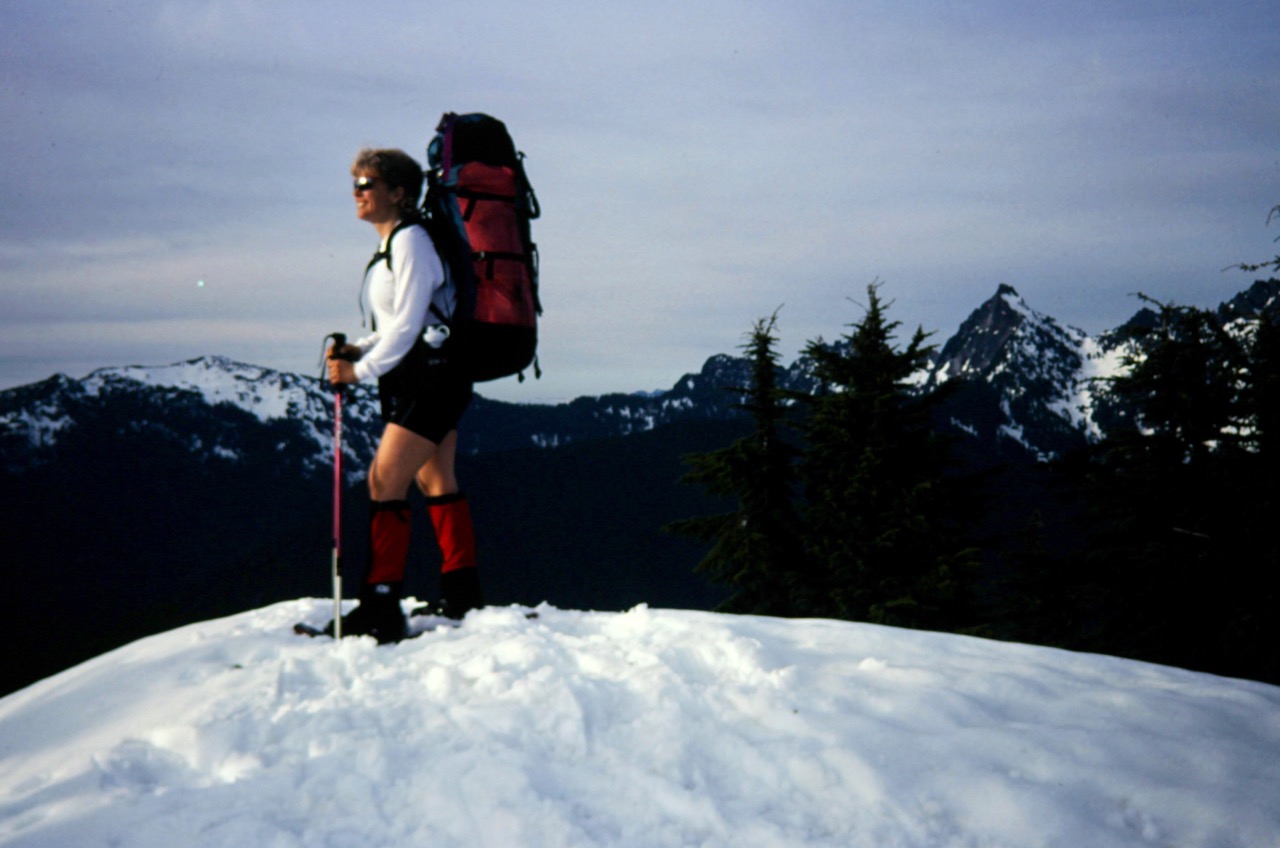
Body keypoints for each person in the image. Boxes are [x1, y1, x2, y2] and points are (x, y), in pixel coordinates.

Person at [324, 147, 483, 643]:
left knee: (383, 481)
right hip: (430, 374)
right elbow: (397, 324)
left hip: (431, 378)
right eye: (355, 183)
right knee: (435, 479)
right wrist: (360, 346)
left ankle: (381, 605)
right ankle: (463, 594)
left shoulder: (411, 241)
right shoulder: (394, 244)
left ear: (398, 193)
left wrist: (359, 371)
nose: (357, 192)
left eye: (366, 184)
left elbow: (410, 325)